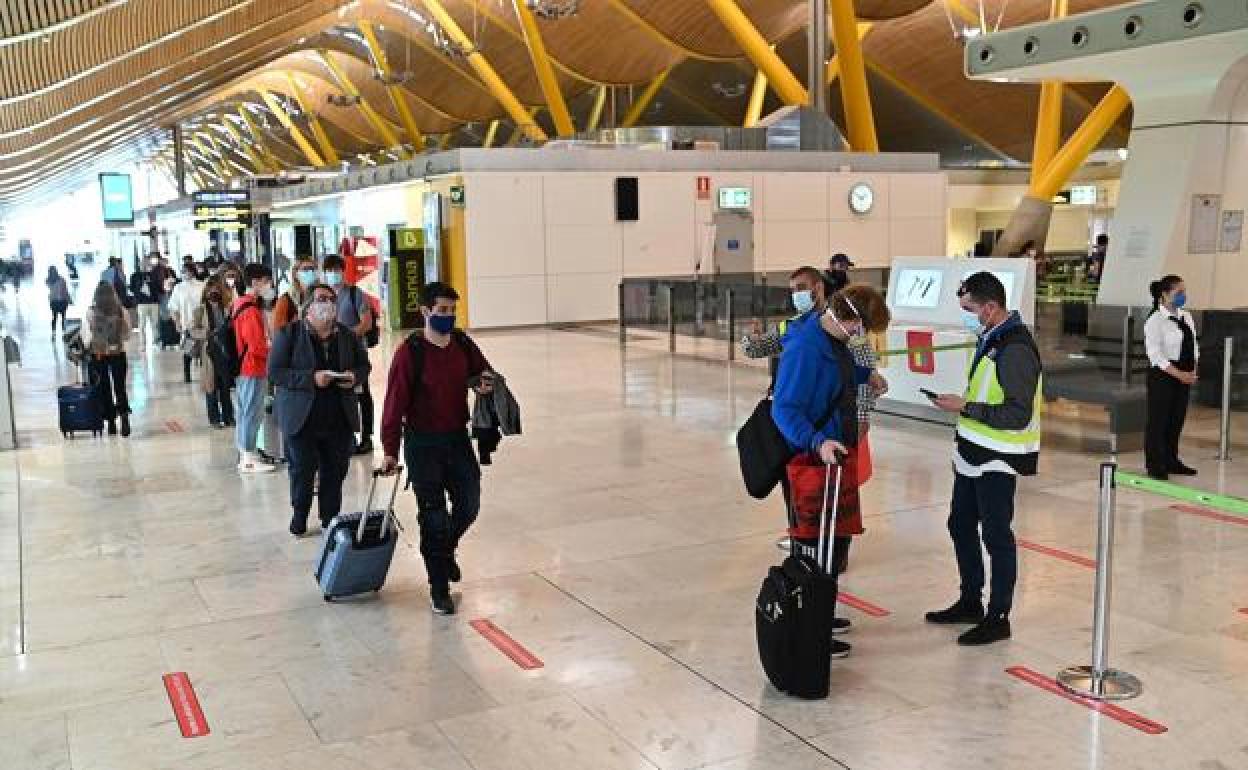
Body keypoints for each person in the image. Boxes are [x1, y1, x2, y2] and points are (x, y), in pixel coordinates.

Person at [771, 284, 890, 658]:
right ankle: (810, 627)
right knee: (814, 548)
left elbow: (836, 377)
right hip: (813, 463)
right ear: (852, 320)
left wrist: (863, 377)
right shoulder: (806, 348)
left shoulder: (834, 340)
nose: (863, 336)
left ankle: (821, 611)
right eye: (864, 329)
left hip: (836, 459)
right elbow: (784, 409)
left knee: (835, 545)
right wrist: (817, 442)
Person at [926, 272, 1043, 647]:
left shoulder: (1016, 348)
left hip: (999, 456)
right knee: (960, 524)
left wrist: (967, 407)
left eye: (970, 310)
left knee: (996, 535)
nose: (967, 316)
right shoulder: (991, 337)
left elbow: (1017, 414)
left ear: (991, 307)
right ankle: (970, 600)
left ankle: (999, 616)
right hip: (972, 451)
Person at [381, 282, 495, 615]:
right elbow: (393, 404)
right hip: (422, 444)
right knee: (432, 517)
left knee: (469, 505)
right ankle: (438, 588)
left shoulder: (461, 343)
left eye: (452, 311)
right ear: (426, 311)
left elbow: (482, 372)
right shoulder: (410, 353)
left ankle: (446, 550)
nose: (448, 316)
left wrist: (485, 383)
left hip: (457, 439)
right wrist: (390, 449)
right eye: (442, 311)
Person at [270, 283, 372, 536]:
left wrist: (354, 376)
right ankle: (300, 513)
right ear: (308, 309)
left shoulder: (347, 336)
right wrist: (310, 379)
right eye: (321, 299)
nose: (327, 304)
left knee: (335, 470)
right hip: (302, 417)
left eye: (331, 299)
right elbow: (276, 373)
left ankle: (330, 518)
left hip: (338, 416)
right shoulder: (289, 335)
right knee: (303, 470)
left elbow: (364, 366)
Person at [1143, 275, 1199, 480]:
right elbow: (1155, 355)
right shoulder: (1155, 320)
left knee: (1176, 420)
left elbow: (1194, 345)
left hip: (1184, 375)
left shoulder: (1186, 317)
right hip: (1163, 375)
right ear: (1165, 295)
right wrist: (1179, 374)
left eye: (1184, 292)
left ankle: (1171, 460)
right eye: (1179, 293)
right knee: (1159, 421)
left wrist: (1192, 371)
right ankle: (1155, 464)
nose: (1183, 296)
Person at [323, 254, 377, 455]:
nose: (333, 275)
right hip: (332, 353)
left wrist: (345, 336)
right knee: (340, 395)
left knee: (361, 394)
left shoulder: (354, 294)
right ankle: (346, 437)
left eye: (336, 270)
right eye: (329, 271)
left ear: (343, 271)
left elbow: (367, 322)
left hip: (355, 353)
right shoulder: (323, 295)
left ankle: (367, 436)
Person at [232, 263, 278, 474]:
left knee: (245, 412)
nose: (269, 285)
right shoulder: (249, 309)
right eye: (266, 280)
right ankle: (248, 457)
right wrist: (274, 352)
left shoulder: (240, 303)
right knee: (252, 412)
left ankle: (246, 452)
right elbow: (256, 345)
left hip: (245, 367)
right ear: (255, 282)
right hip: (252, 367)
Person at [81, 281, 132, 437]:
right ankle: (124, 417)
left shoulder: (91, 312)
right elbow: (127, 335)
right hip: (118, 353)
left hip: (99, 354)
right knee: (120, 387)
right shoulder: (121, 310)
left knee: (104, 388)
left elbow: (86, 338)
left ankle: (110, 422)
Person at [192, 275, 235, 429]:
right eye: (211, 289)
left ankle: (228, 416)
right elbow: (193, 330)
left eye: (217, 289)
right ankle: (214, 419)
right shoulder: (200, 310)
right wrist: (207, 333)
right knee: (211, 386)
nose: (214, 292)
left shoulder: (227, 308)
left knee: (225, 386)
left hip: (224, 350)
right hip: (209, 352)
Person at [168, 262, 205, 383]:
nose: (186, 273)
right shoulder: (179, 288)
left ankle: (206, 373)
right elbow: (173, 307)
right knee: (188, 349)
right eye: (183, 271)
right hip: (187, 324)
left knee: (205, 349)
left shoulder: (202, 285)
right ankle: (187, 374)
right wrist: (177, 322)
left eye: (188, 271)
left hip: (202, 324)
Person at [272, 256, 318, 331]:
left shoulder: (320, 295)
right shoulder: (286, 300)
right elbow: (278, 332)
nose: (310, 272)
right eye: (306, 269)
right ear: (296, 274)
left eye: (313, 269)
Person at [46, 266, 71, 334]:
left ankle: (55, 331)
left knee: (56, 316)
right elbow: (65, 290)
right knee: (60, 316)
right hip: (59, 301)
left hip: (57, 301)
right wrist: (68, 299)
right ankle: (61, 331)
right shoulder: (60, 279)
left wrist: (68, 298)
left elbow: (65, 290)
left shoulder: (49, 280)